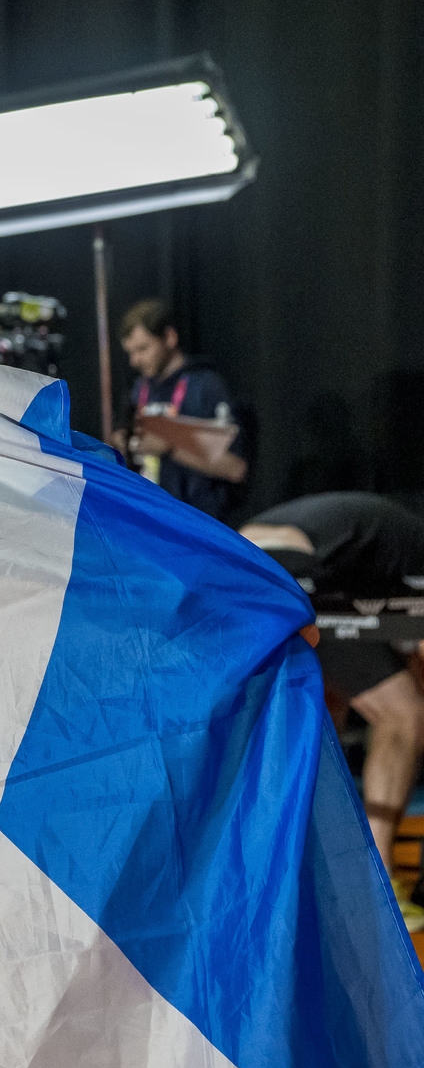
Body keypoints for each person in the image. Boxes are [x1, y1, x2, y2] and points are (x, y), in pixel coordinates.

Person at [241, 492, 424, 930]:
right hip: (281, 567)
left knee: (327, 709)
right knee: (404, 714)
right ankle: (374, 885)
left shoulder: (382, 547)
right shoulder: (412, 553)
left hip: (244, 563)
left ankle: (294, 874)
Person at [114, 298, 250, 521]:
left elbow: (235, 468)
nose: (135, 361)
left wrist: (169, 448)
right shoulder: (139, 388)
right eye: (130, 352)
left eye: (143, 349)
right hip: (153, 517)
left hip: (200, 522)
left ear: (169, 337)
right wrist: (124, 443)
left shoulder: (206, 386)